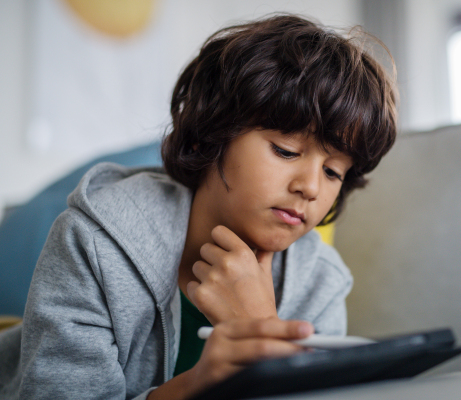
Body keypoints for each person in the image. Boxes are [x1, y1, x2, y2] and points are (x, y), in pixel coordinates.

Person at [0, 14, 397, 399]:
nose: (310, 187)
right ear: (208, 137)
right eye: (286, 150)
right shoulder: (92, 244)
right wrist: (198, 387)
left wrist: (261, 330)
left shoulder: (320, 283)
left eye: (333, 172)